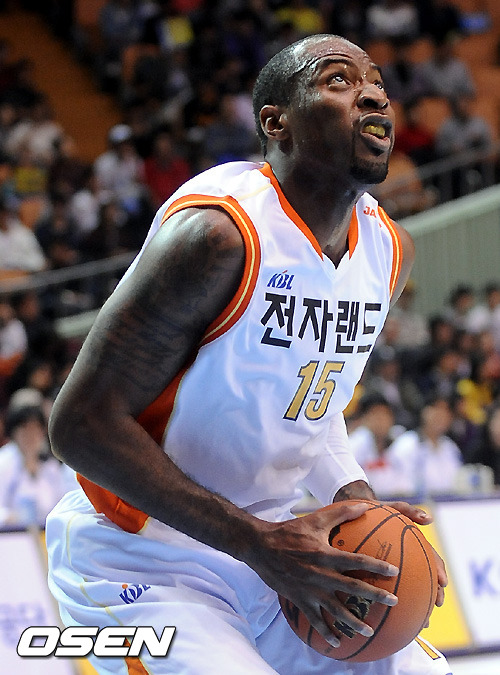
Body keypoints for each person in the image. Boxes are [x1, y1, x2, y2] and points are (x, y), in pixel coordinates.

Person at [45, 35, 450, 675]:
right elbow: (78, 427)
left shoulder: (388, 250)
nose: (374, 94)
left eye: (377, 81)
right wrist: (260, 544)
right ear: (275, 122)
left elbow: (312, 407)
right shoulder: (218, 234)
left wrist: (360, 506)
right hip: (139, 556)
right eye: (339, 80)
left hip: (275, 547)